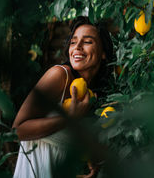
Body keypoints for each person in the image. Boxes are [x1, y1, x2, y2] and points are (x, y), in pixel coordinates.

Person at [12, 16, 114, 178]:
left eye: (87, 42)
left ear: (103, 53)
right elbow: (18, 130)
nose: (77, 47)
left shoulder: (94, 95)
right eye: (73, 42)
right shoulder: (59, 75)